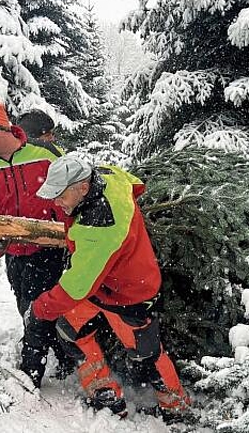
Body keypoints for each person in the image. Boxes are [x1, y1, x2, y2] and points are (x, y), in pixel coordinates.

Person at [28, 154, 190, 419]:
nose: (56, 203)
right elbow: (134, 183)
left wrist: (40, 309)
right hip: (101, 285)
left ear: (82, 187)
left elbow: (76, 287)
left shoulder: (100, 226)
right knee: (70, 330)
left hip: (131, 291)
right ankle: (104, 391)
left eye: (60, 195)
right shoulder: (107, 175)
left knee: (147, 354)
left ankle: (176, 407)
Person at [0, 100, 74, 387]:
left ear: (4, 129)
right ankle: (64, 356)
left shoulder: (45, 154)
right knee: (25, 303)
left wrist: (71, 238)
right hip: (12, 252)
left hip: (49, 248)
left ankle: (32, 370)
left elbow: (69, 193)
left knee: (38, 305)